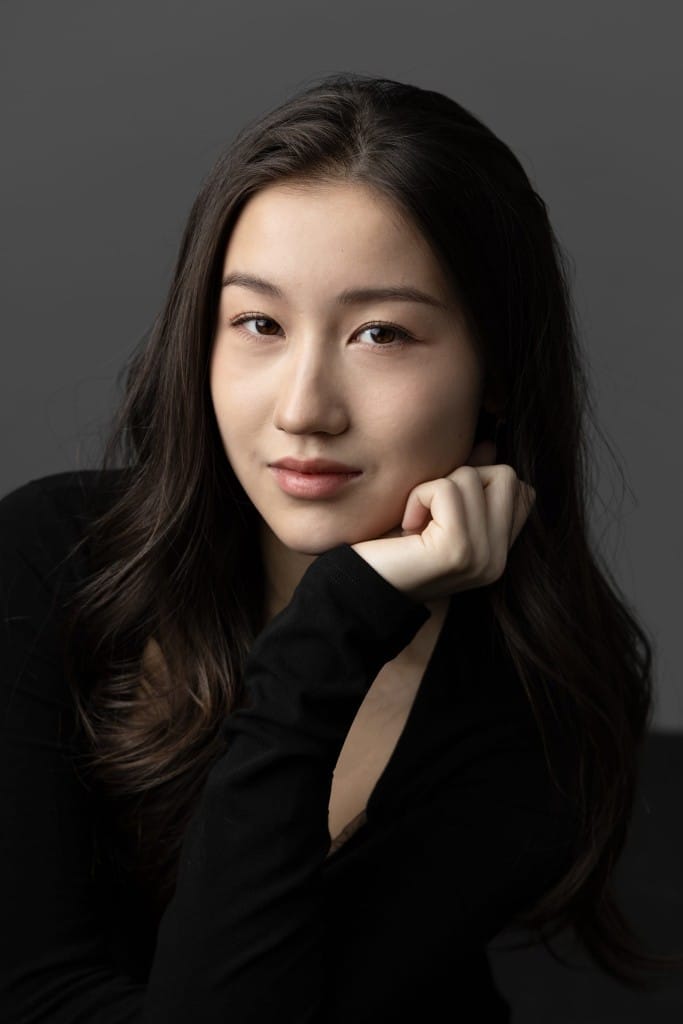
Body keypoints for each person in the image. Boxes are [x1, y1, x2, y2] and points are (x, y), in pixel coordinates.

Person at [1, 71, 680, 1023]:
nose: (303, 408)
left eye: (379, 333)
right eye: (259, 325)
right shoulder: (51, 559)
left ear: (495, 369)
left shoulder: (542, 702)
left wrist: (338, 624)